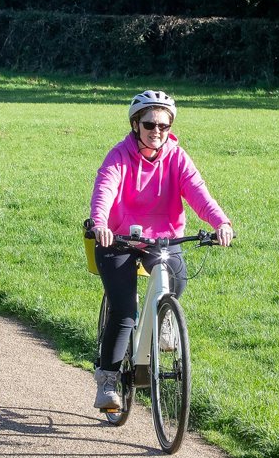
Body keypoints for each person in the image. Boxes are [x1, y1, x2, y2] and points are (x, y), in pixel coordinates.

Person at [88, 90, 234, 412]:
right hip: (118, 240)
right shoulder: (119, 155)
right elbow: (105, 188)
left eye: (164, 126)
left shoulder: (177, 158)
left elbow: (199, 194)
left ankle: (164, 316)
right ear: (136, 124)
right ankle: (109, 379)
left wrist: (220, 222)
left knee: (177, 278)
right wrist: (100, 223)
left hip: (163, 239)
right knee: (124, 311)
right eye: (150, 124)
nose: (157, 131)